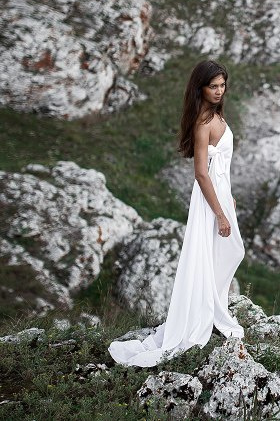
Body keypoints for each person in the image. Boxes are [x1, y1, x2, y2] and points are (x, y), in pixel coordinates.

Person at [108, 59, 246, 367]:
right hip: (208, 198)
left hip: (221, 193)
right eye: (213, 86)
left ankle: (212, 307)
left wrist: (230, 197)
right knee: (213, 252)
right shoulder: (202, 123)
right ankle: (203, 313)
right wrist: (220, 213)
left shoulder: (218, 115)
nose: (219, 91)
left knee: (229, 251)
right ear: (201, 88)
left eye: (223, 85)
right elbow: (201, 173)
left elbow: (221, 166)